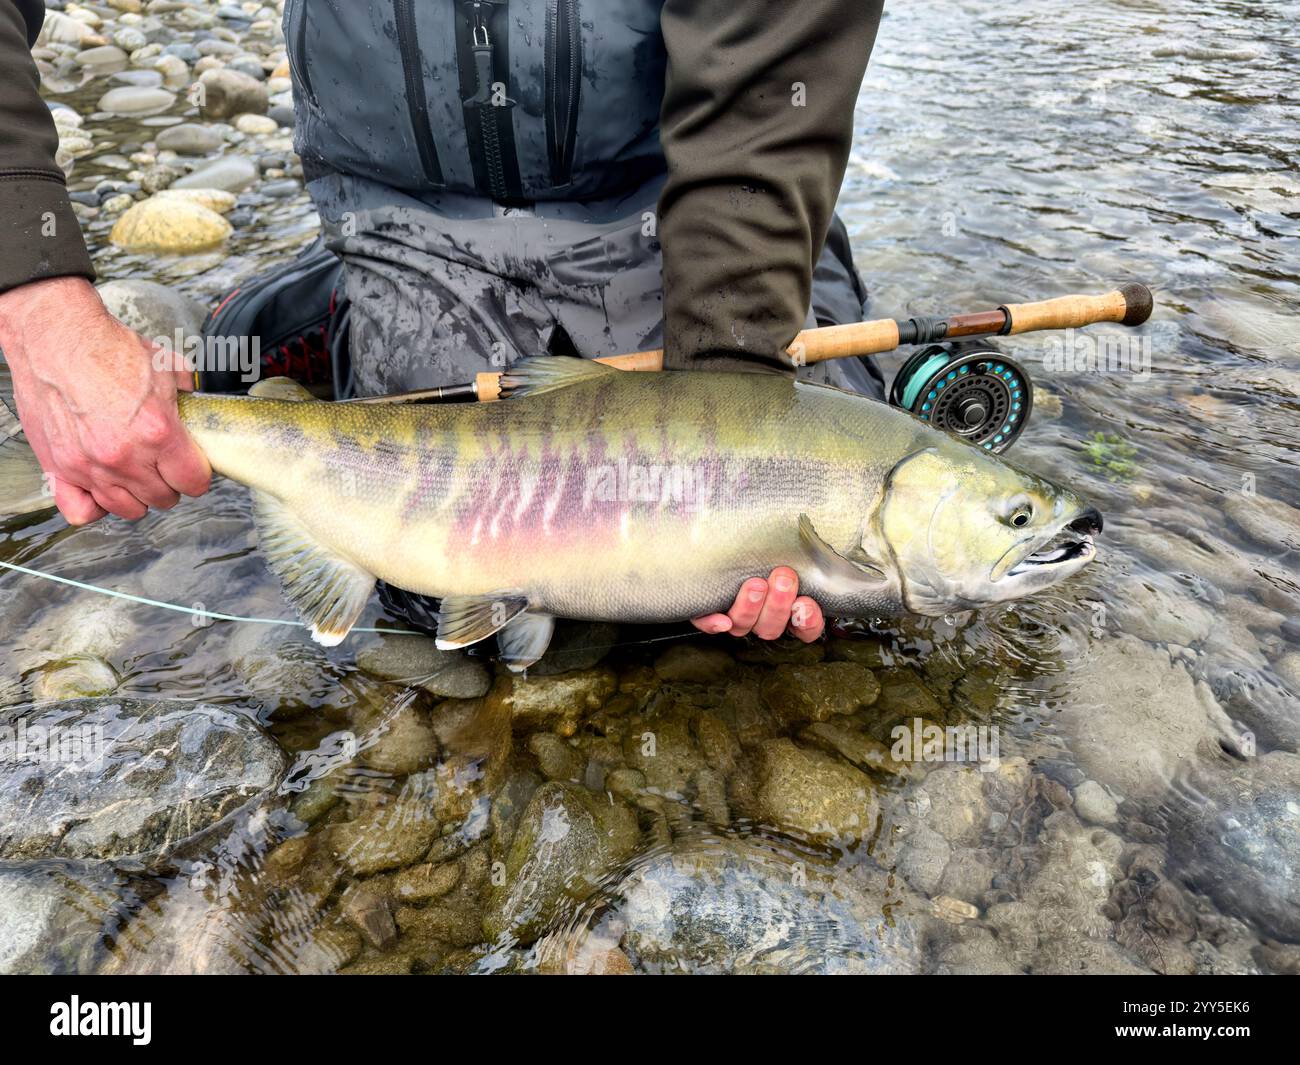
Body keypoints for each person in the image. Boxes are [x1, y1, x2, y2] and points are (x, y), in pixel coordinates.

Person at [0, 0, 885, 643]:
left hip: (677, 199)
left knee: (837, 600)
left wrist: (730, 376)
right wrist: (37, 299)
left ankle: (280, 336)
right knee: (429, 604)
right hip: (403, 213)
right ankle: (301, 319)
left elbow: (775, 101)